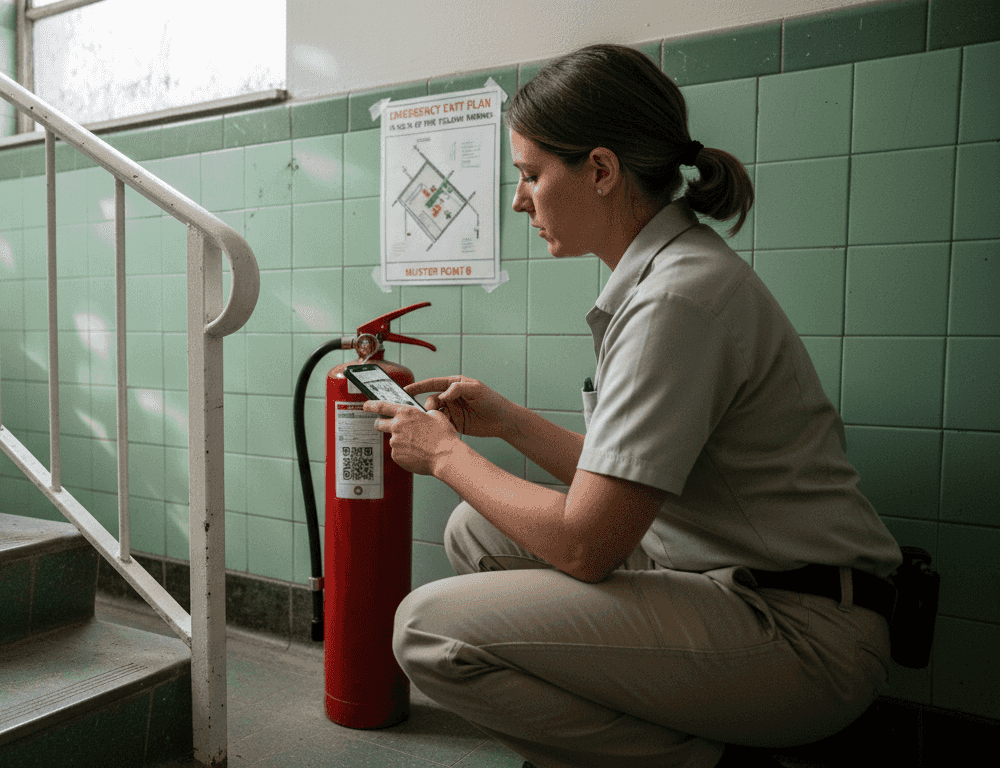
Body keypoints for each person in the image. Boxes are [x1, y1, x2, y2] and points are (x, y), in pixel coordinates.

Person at [362, 43, 902, 768]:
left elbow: (589, 544)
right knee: (476, 531)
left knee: (426, 631)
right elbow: (624, 487)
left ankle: (704, 761)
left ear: (603, 170)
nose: (519, 200)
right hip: (724, 577)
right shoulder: (669, 278)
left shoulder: (675, 300)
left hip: (799, 635)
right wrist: (505, 421)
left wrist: (446, 455)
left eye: (530, 175)